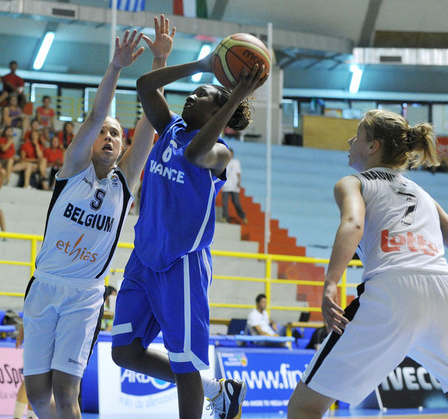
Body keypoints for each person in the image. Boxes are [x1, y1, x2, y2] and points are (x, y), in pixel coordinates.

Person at [287, 109, 448, 419]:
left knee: (303, 407)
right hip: (446, 294)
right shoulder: (426, 197)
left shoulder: (353, 183)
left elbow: (353, 223)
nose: (350, 141)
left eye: (357, 136)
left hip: (393, 290)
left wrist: (330, 284)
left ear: (373, 146)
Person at [110, 19, 266, 419]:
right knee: (124, 353)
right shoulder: (170, 129)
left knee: (184, 363)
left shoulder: (221, 154)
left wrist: (235, 96)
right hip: (144, 257)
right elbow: (145, 87)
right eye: (193, 92)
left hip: (182, 264)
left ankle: (206, 395)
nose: (190, 97)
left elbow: (197, 153)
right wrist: (202, 65)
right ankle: (217, 391)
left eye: (201, 96)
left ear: (218, 111)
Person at [22, 20, 171, 419]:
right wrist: (116, 67)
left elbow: (150, 125)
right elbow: (95, 114)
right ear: (90, 142)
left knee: (66, 393)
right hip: (44, 287)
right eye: (102, 132)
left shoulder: (125, 184)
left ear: (121, 147)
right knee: (37, 398)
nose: (108, 136)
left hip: (84, 296)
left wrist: (159, 61)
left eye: (115, 135)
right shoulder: (71, 170)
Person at [220, 148, 247, 224]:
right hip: (226, 185)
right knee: (225, 203)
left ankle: (242, 216)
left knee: (236, 202)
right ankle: (225, 218)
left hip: (234, 185)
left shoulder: (236, 162)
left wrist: (239, 181)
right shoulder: (223, 162)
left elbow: (238, 172)